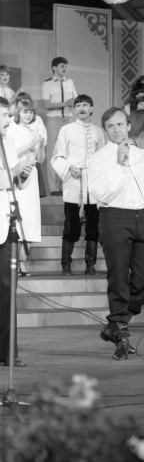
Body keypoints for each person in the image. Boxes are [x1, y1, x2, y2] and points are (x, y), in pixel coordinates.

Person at [88, 107, 144, 360]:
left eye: (120, 124)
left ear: (128, 126)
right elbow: (99, 193)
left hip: (142, 218)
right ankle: (120, 331)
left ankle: (116, 323)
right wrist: (118, 164)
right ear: (105, 130)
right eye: (111, 126)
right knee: (118, 276)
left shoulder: (141, 156)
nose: (117, 130)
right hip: (114, 217)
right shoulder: (99, 158)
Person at [51, 94, 106, 276]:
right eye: (78, 105)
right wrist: (69, 167)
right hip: (73, 183)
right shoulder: (66, 130)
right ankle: (66, 264)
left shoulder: (99, 131)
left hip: (93, 185)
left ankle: (90, 265)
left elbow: (103, 158)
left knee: (93, 228)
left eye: (86, 105)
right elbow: (57, 156)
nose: (82, 108)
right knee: (71, 226)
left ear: (91, 108)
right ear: (74, 109)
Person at [0, 96, 34, 367]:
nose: (7, 120)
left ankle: (8, 352)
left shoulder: (8, 142)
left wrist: (24, 173)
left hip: (6, 224)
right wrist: (13, 171)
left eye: (7, 115)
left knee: (7, 291)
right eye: (2, 115)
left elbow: (15, 185)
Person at [7, 99, 45, 277]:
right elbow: (10, 155)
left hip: (33, 175)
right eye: (24, 111)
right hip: (18, 176)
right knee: (18, 218)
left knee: (30, 219)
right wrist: (30, 145)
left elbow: (40, 159)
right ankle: (13, 262)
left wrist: (41, 145)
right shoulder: (11, 130)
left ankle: (23, 262)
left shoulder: (34, 131)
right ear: (18, 113)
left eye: (30, 112)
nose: (28, 114)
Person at [41, 57, 78, 194]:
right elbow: (46, 104)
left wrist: (72, 103)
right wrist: (65, 104)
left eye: (66, 66)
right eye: (62, 66)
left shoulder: (70, 82)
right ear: (54, 68)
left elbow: (75, 99)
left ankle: (65, 185)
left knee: (67, 152)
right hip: (53, 120)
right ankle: (54, 188)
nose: (64, 69)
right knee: (53, 153)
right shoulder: (47, 84)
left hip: (68, 119)